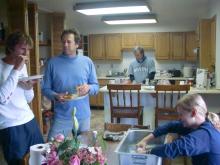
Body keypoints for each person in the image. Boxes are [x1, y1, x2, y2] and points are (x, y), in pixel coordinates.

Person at [42, 28, 99, 140]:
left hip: (83, 116)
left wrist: (88, 88)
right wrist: (55, 96)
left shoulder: (87, 62)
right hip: (61, 116)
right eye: (63, 42)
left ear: (77, 44)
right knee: (52, 147)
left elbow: (96, 87)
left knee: (83, 150)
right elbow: (45, 88)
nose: (65, 45)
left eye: (69, 42)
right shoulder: (52, 63)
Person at [136, 93, 220, 165]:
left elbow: (175, 148)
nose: (179, 118)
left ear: (193, 112)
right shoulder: (196, 125)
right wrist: (145, 140)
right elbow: (170, 126)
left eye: (181, 114)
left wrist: (146, 152)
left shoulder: (206, 134)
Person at [0, 31, 44, 165]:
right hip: (10, 125)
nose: (26, 52)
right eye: (22, 48)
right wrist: (17, 68)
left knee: (40, 158)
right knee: (18, 163)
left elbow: (28, 99)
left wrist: (29, 87)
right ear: (11, 47)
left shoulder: (23, 66)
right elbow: (2, 98)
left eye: (28, 49)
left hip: (28, 120)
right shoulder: (4, 66)